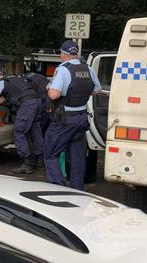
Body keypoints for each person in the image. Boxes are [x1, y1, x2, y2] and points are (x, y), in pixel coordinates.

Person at [44, 40, 101, 190]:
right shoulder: (87, 68)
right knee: (77, 157)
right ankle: (77, 189)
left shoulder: (63, 70)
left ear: (63, 54)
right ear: (76, 54)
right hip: (81, 118)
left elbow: (54, 95)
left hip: (64, 120)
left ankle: (59, 187)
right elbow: (97, 90)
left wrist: (50, 87)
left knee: (50, 154)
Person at [0, 69, 44, 174]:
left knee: (18, 132)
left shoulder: (1, 83)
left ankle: (26, 163)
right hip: (37, 102)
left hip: (27, 105)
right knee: (35, 130)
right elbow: (4, 98)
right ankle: (40, 160)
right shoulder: (13, 78)